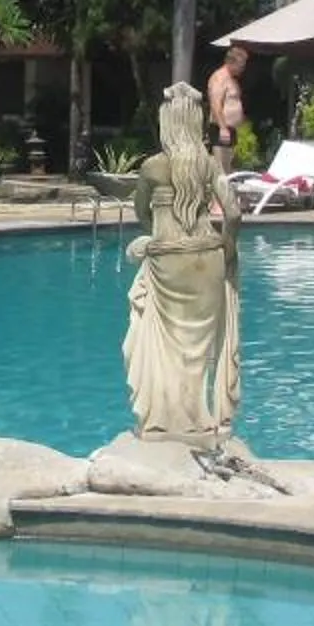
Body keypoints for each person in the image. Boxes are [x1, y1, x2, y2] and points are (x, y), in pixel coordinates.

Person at [122, 84, 242, 443]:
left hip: (168, 264)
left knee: (165, 348)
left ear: (167, 123)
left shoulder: (153, 167)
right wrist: (228, 247)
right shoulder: (207, 165)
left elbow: (141, 212)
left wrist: (160, 238)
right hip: (208, 257)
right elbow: (233, 211)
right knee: (201, 351)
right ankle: (205, 421)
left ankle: (166, 423)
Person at [206, 45, 251, 165]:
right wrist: (223, 128)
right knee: (221, 170)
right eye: (241, 66)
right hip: (220, 130)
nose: (243, 69)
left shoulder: (232, 79)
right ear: (231, 62)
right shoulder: (219, 78)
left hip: (230, 130)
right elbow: (215, 104)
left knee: (229, 171)